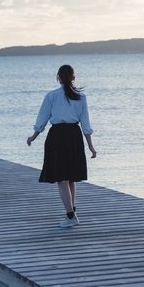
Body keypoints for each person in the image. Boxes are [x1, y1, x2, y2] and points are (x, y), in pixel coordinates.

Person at [26, 64, 97, 228]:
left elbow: (42, 120)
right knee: (71, 178)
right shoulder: (81, 97)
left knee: (62, 179)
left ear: (58, 78)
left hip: (57, 136)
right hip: (74, 136)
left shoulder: (52, 96)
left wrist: (33, 137)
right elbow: (86, 124)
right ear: (73, 77)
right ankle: (72, 213)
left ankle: (71, 216)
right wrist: (91, 147)